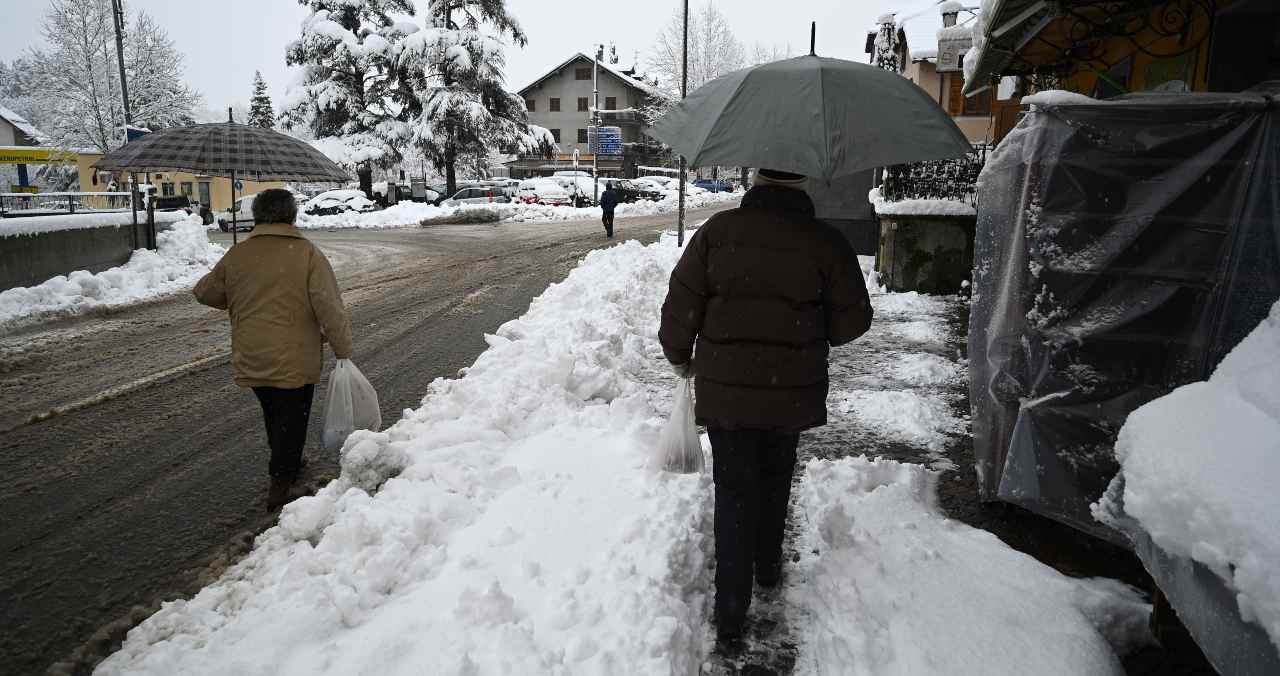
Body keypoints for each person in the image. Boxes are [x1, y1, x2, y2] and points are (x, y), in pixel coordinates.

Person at [658, 168, 873, 641]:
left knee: (734, 490)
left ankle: (731, 612)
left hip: (727, 393)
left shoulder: (718, 232)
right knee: (776, 476)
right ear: (804, 184)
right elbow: (852, 323)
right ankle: (768, 566)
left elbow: (680, 306)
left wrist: (678, 354)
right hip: (790, 394)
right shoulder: (825, 242)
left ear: (756, 180)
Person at [193, 188, 353, 506]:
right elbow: (329, 307)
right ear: (292, 215)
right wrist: (343, 348)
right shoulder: (306, 253)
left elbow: (204, 292)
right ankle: (282, 483)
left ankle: (287, 463)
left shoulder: (239, 254)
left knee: (274, 412)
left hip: (252, 353)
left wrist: (241, 293)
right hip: (295, 356)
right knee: (293, 417)